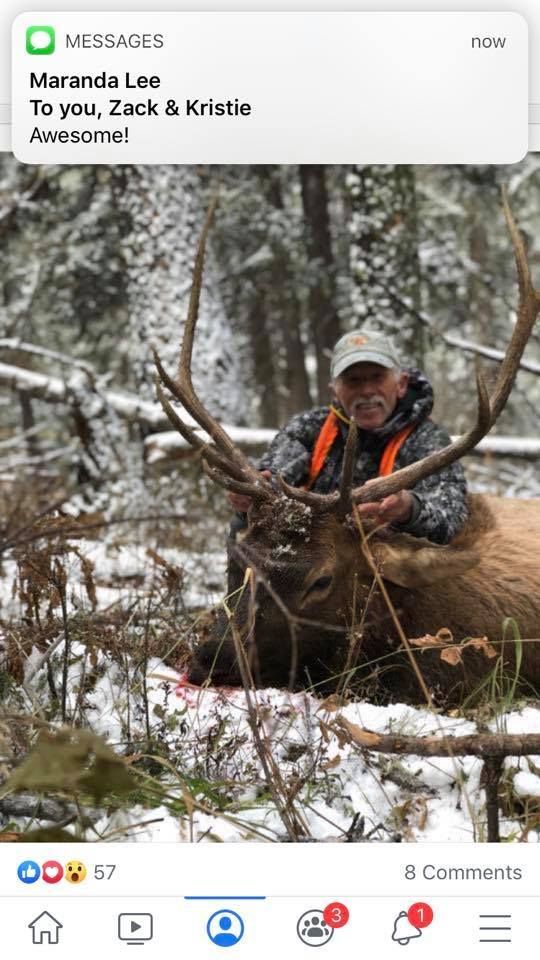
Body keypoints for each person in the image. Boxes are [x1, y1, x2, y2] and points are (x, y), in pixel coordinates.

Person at [226, 330, 468, 571]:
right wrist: (255, 491)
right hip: (311, 569)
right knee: (245, 522)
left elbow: (451, 518)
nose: (367, 390)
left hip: (386, 575)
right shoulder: (310, 428)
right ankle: (245, 604)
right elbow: (277, 471)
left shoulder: (428, 439)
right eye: (353, 380)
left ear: (401, 384)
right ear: (335, 390)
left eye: (377, 377)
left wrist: (408, 508)